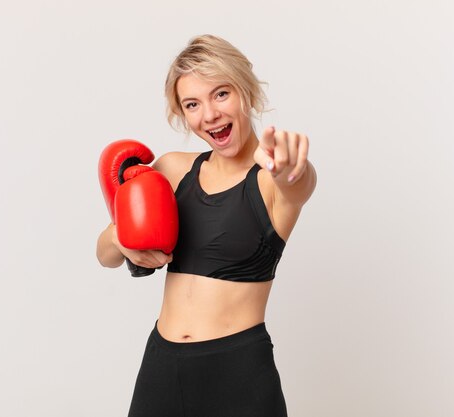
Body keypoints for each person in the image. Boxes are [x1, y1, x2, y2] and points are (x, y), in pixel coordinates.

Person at [96, 34, 316, 417]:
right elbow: (105, 255)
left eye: (220, 94)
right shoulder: (172, 170)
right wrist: (121, 237)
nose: (209, 115)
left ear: (245, 91)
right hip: (162, 367)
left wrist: (293, 169)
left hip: (238, 373)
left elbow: (298, 184)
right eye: (192, 104)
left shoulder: (269, 178)